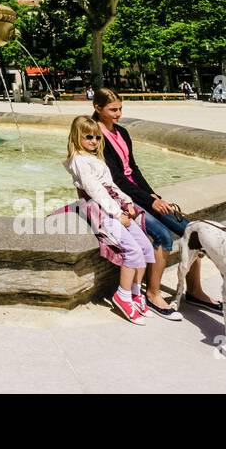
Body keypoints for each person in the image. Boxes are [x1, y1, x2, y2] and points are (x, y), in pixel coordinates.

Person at [92, 87, 221, 316]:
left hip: (138, 194)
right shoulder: (95, 137)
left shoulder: (122, 132)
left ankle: (195, 290)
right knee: (161, 234)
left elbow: (134, 169)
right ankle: (152, 294)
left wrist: (154, 196)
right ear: (97, 108)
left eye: (120, 108)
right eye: (113, 110)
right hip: (121, 197)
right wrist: (148, 202)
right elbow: (117, 179)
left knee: (191, 230)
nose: (118, 114)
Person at [62, 116, 156, 324]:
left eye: (97, 137)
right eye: (88, 137)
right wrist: (116, 213)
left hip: (115, 205)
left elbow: (111, 186)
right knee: (131, 251)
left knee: (146, 248)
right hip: (101, 210)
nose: (94, 141)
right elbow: (96, 191)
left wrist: (128, 201)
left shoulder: (95, 158)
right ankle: (122, 296)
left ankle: (135, 293)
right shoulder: (79, 160)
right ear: (77, 137)